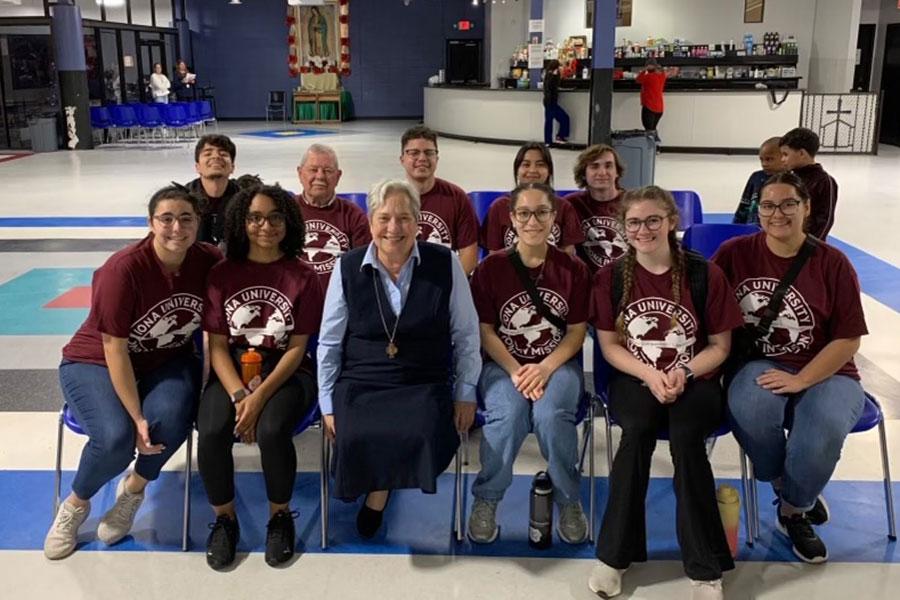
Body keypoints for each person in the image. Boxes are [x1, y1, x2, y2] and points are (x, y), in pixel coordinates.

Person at [44, 185, 222, 560]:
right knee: (115, 438)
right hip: (95, 361)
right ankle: (76, 504)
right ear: (151, 223)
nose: (177, 228)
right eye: (166, 219)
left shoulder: (207, 260)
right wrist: (137, 415)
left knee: (171, 420)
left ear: (198, 223)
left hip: (166, 360)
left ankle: (133, 490)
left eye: (186, 218)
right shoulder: (122, 270)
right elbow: (114, 348)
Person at [587, 185, 742, 600]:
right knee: (636, 430)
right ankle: (614, 557)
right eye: (634, 222)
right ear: (624, 227)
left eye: (653, 220)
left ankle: (705, 568)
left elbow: (720, 347)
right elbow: (609, 346)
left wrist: (683, 372)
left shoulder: (704, 274)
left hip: (696, 379)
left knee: (687, 439)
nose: (643, 230)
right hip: (635, 378)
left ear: (672, 221)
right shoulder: (610, 278)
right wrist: (650, 375)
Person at [712, 172, 867, 565]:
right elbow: (704, 303)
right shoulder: (733, 253)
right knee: (751, 411)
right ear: (758, 210)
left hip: (828, 367)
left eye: (788, 204)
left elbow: (848, 339)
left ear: (806, 208)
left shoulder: (833, 263)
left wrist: (802, 379)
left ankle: (795, 510)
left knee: (820, 433)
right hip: (758, 362)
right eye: (768, 205)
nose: (777, 213)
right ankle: (787, 483)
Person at [317, 178, 481, 539]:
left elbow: (467, 334)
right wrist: (327, 402)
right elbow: (329, 342)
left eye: (404, 218)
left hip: (423, 379)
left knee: (419, 431)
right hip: (362, 378)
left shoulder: (446, 263)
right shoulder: (347, 267)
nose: (394, 228)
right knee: (354, 434)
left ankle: (377, 494)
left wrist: (466, 391)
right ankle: (379, 487)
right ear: (370, 222)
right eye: (384, 218)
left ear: (418, 222)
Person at [199, 184, 323, 570]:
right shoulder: (221, 274)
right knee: (212, 430)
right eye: (254, 217)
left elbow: (298, 348)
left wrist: (260, 397)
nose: (265, 226)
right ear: (241, 222)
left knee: (272, 429)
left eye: (274, 217)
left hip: (287, 370)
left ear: (289, 222)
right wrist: (240, 396)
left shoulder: (304, 275)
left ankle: (279, 517)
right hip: (232, 369)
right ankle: (225, 520)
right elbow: (217, 346)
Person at [468, 182, 591, 545]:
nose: (532, 221)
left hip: (558, 364)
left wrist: (545, 368)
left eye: (541, 212)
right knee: (507, 416)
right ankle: (487, 498)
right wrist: (516, 371)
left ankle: (568, 500)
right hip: (504, 365)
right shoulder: (491, 268)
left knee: (551, 416)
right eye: (524, 213)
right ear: (512, 218)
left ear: (554, 218)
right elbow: (485, 331)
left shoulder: (573, 269)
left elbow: (576, 332)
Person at [400, 126, 480, 274]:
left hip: (445, 280)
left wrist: (451, 283)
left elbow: (469, 256)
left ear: (437, 158)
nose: (422, 158)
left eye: (429, 152)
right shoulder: (392, 199)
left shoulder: (457, 197)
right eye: (414, 153)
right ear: (402, 159)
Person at [481, 142, 582, 255]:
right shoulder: (499, 207)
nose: (533, 170)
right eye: (526, 164)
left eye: (540, 164)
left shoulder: (564, 207)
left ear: (549, 171)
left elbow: (568, 254)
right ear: (517, 170)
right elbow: (494, 255)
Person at [296, 143, 371, 286]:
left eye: (328, 171)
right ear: (300, 173)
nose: (320, 176)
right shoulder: (286, 210)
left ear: (338, 176)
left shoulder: (353, 215)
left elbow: (363, 265)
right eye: (313, 170)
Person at [564, 144, 629, 274]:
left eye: (608, 166)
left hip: (627, 278)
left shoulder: (634, 203)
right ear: (584, 173)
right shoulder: (571, 204)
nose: (602, 172)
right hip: (588, 281)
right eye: (594, 166)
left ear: (617, 172)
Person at [779, 127, 838, 239]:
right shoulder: (788, 178)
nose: (782, 159)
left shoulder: (825, 181)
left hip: (807, 242)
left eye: (785, 154)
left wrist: (811, 244)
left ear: (802, 153)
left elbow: (825, 219)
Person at [185, 134, 240, 246]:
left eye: (223, 154)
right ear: (197, 167)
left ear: (232, 167)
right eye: (208, 154)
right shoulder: (182, 199)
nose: (216, 157)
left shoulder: (245, 201)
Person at [733, 137, 782, 224]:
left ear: (784, 157)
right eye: (761, 160)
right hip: (753, 228)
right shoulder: (756, 177)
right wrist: (736, 227)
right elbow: (744, 206)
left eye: (769, 159)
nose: (764, 164)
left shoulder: (792, 180)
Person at [637, 58, 667, 139]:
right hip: (659, 108)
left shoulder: (648, 77)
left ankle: (651, 145)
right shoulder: (662, 76)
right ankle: (656, 145)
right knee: (652, 129)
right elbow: (662, 71)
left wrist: (644, 70)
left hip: (649, 107)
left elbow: (638, 80)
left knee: (649, 131)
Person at [542, 59, 570, 145]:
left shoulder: (548, 75)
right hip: (551, 102)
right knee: (564, 118)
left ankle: (548, 141)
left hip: (548, 102)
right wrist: (556, 75)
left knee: (549, 122)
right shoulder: (552, 76)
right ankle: (560, 136)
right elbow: (552, 86)